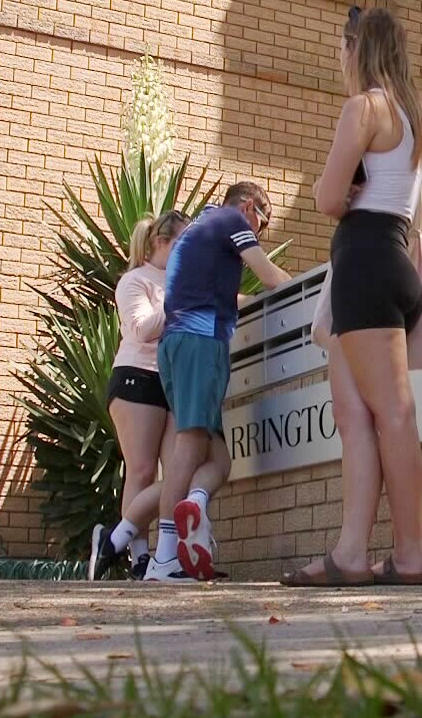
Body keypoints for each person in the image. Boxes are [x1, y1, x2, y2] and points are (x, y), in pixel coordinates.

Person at [283, 6, 422, 587]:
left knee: (391, 413)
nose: (338, 58)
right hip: (386, 259)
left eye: (341, 48)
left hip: (364, 263)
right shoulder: (414, 117)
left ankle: (410, 554)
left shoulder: (364, 108)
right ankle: (351, 553)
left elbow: (324, 198)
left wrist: (343, 189)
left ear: (356, 48)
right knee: (353, 414)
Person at [147, 181, 293, 583]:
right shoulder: (230, 218)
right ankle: (163, 558)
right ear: (249, 207)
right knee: (190, 442)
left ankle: (194, 506)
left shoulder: (196, 229)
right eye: (261, 226)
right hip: (200, 343)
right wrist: (310, 288)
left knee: (219, 461)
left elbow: (225, 297)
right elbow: (267, 274)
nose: (259, 234)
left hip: (176, 344)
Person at [88, 210, 232, 581]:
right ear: (160, 242)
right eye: (182, 244)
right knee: (141, 468)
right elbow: (139, 330)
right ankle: (139, 555)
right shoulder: (136, 281)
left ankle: (125, 540)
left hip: (174, 378)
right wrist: (178, 299)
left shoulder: (184, 277)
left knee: (180, 469)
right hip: (138, 377)